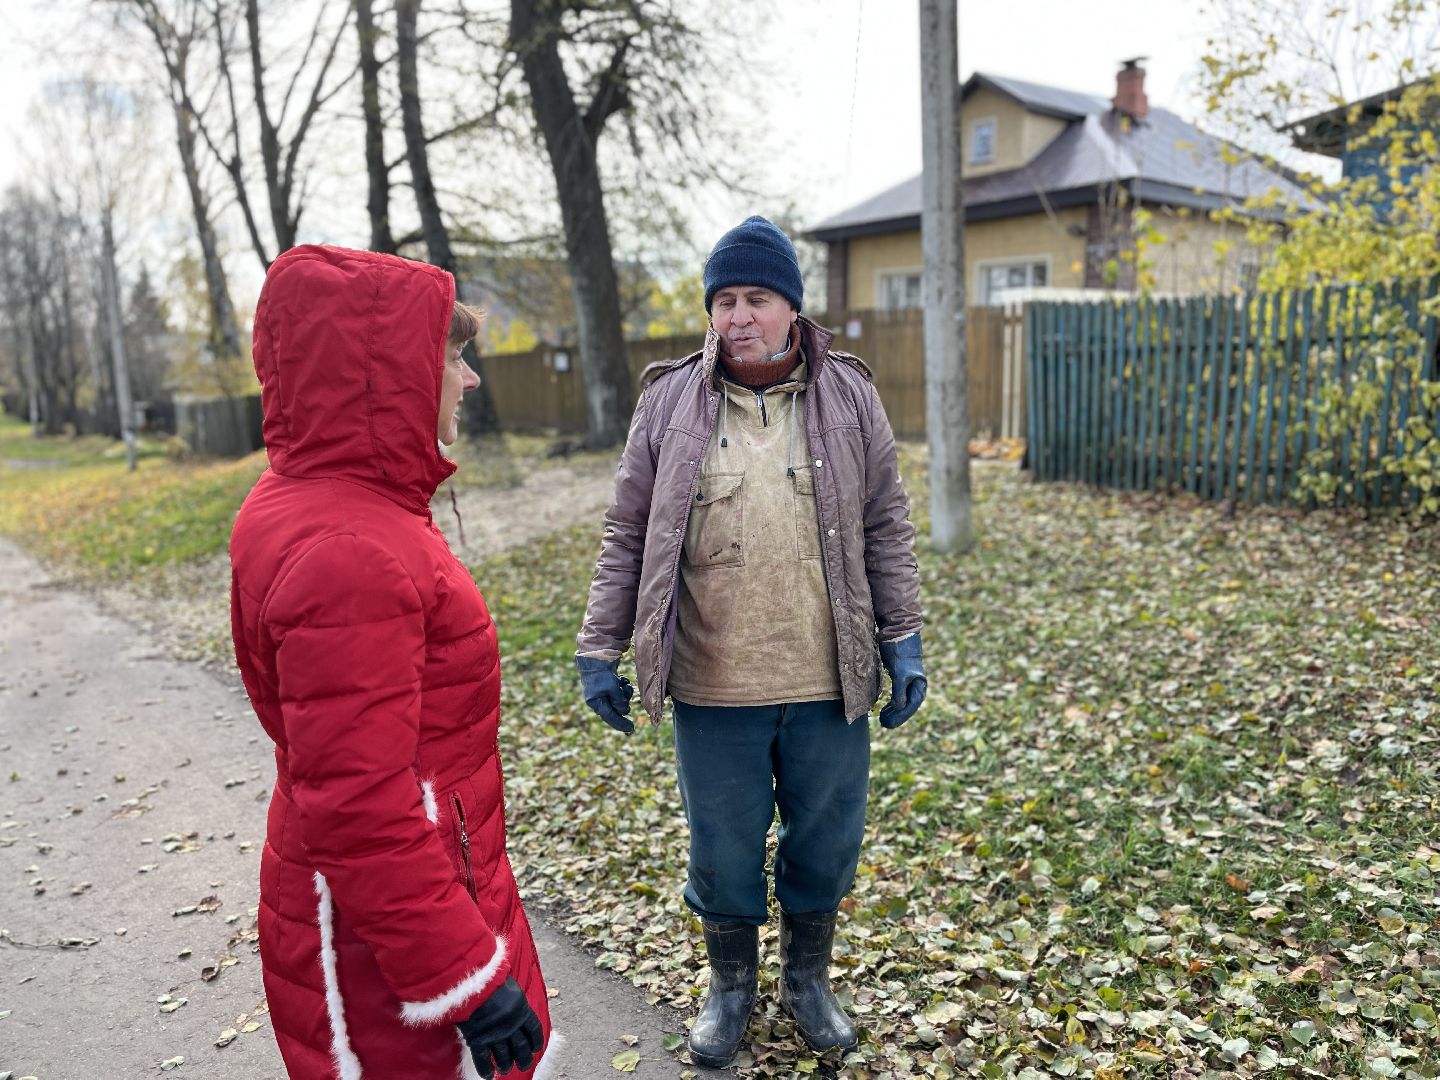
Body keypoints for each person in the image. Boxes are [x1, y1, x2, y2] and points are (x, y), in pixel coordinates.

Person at [574, 216, 926, 1067]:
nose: (739, 316)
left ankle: (809, 981)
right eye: (724, 300)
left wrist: (903, 637)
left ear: (791, 308)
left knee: (826, 838)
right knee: (723, 845)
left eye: (757, 299)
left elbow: (886, 522)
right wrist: (600, 645)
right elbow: (628, 533)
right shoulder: (668, 404)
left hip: (826, 676)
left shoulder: (849, 395)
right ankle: (729, 988)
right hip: (712, 681)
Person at [230, 245, 557, 1079]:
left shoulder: (336, 501)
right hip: (389, 947)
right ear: (383, 373)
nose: (468, 379)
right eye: (451, 356)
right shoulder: (348, 551)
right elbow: (355, 802)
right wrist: (465, 980)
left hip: (428, 886)